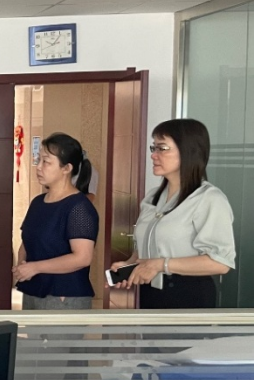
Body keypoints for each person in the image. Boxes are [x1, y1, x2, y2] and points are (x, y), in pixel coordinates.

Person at [110, 118, 234, 309]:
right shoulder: (153, 197)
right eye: (154, 148)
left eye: (162, 148)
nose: (154, 155)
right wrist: (129, 266)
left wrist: (161, 264)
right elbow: (147, 249)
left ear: (188, 151)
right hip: (150, 293)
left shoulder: (209, 199)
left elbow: (220, 263)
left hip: (188, 294)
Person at [13, 133, 98, 310]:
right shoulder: (38, 202)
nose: (38, 167)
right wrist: (22, 266)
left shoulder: (79, 207)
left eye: (46, 162)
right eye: (39, 160)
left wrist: (35, 267)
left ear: (66, 168)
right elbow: (26, 242)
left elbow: (82, 257)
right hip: (33, 290)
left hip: (64, 295)